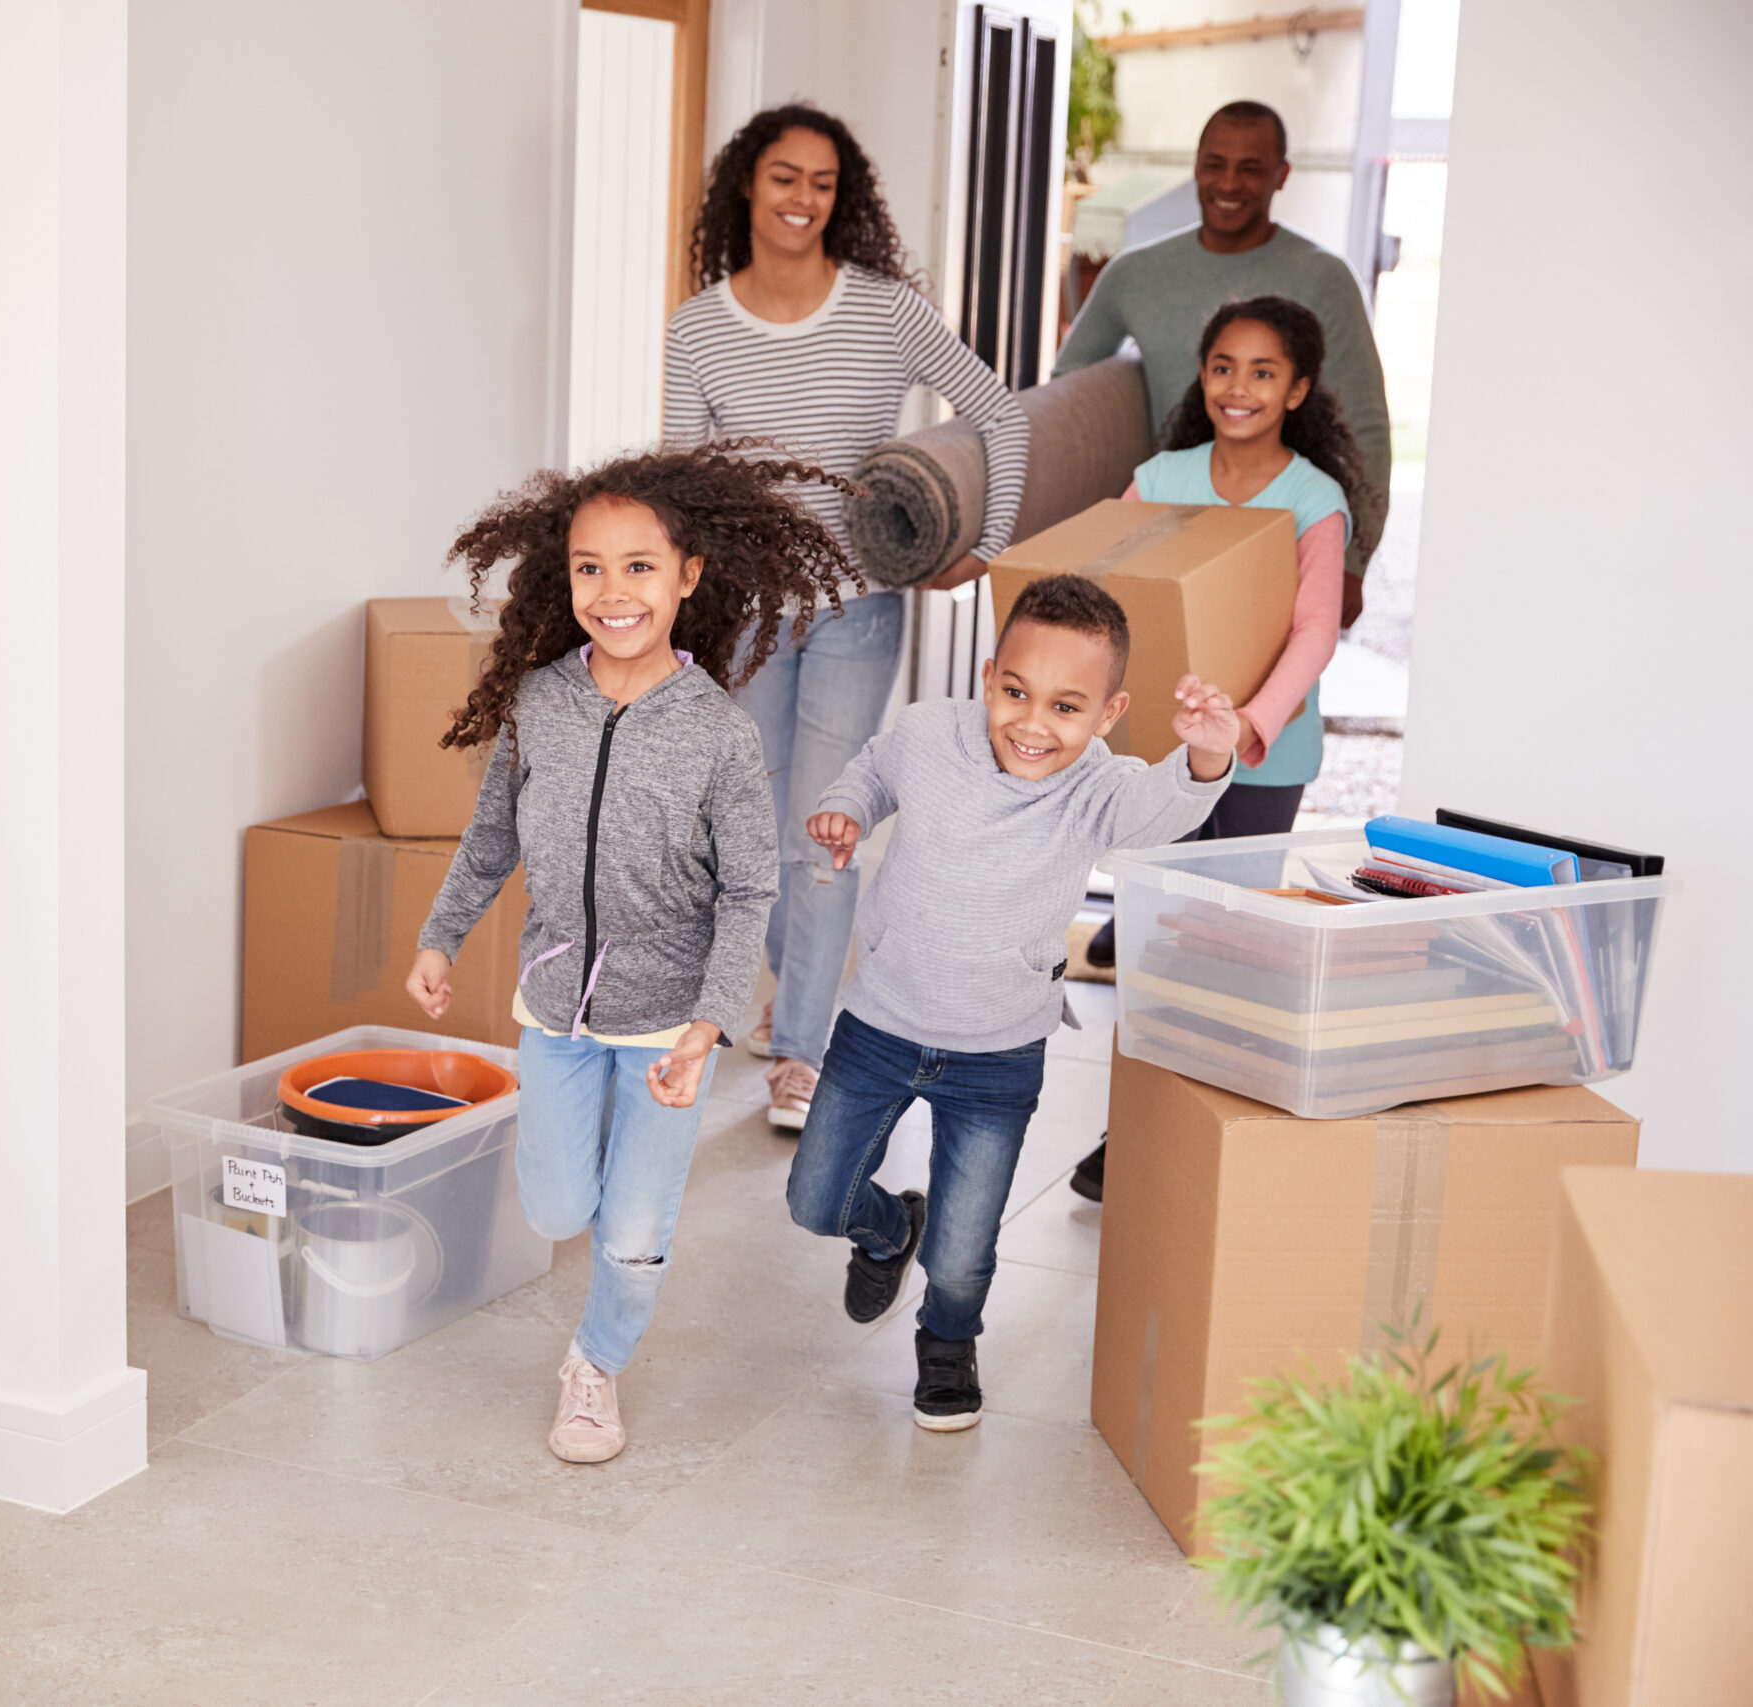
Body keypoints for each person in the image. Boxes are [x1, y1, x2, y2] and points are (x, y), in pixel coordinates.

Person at [408, 443, 850, 1465]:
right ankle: (609, 1211)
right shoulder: (539, 705)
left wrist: (711, 1023)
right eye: (588, 568)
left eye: (639, 566)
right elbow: (490, 840)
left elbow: (749, 891)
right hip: (555, 1005)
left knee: (632, 1235)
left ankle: (595, 1366)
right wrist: (440, 936)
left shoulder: (718, 737)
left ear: (688, 575)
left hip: (669, 1030)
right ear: (562, 579)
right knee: (561, 1205)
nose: (612, 592)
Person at [784, 576, 1236, 1430]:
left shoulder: (1098, 787)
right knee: (815, 1198)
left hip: (998, 1052)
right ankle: (886, 1230)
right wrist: (847, 808)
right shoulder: (927, 733)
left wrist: (1207, 755)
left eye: (1067, 707)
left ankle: (948, 1345)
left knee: (963, 1251)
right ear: (989, 675)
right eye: (1015, 692)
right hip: (881, 1019)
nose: (1032, 724)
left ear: (1108, 714)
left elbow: (1163, 807)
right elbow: (874, 769)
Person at [664, 103, 1030, 1135]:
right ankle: (795, 984)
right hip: (742, 619)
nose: (802, 199)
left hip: (858, 609)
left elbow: (998, 410)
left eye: (822, 183)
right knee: (758, 834)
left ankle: (800, 1057)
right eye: (785, 177)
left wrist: (986, 547)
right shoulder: (696, 327)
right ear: (748, 184)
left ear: (842, 197)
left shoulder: (883, 311)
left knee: (820, 838)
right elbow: (681, 482)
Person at [1062, 296, 1380, 1204]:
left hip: (1264, 757)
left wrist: (1247, 724)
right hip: (1164, 751)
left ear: (1299, 389)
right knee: (1161, 941)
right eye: (1223, 368)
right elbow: (1099, 587)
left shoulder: (1314, 500)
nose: (1238, 388)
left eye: (1263, 372)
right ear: (1201, 377)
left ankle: (1208, 1132)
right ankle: (1132, 1133)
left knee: (1231, 943)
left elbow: (1314, 632)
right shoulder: (1159, 479)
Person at [1054, 100, 1389, 618]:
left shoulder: (1326, 279)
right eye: (1215, 164)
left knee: (1278, 691)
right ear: (1195, 166)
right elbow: (1068, 397)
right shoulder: (1135, 274)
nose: (1228, 183)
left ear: (1282, 176)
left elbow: (1365, 427)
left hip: (1287, 541)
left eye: (1250, 169)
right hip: (1167, 531)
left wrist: (1353, 561)